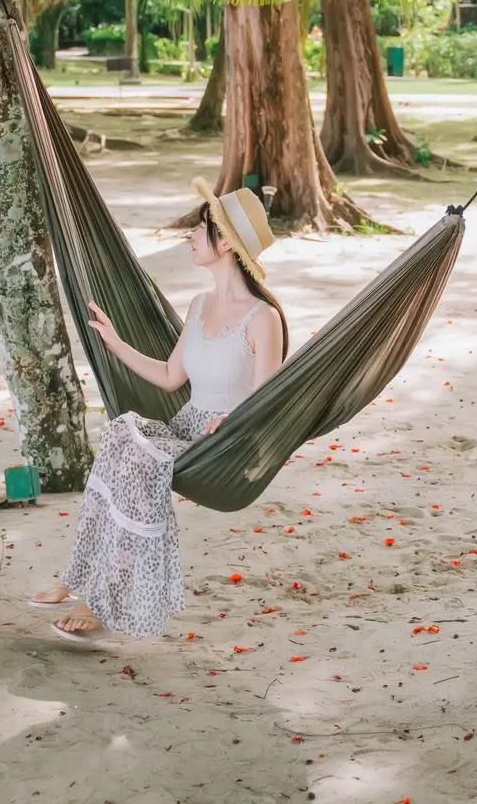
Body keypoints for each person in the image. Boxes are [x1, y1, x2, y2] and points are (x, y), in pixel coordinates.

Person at [30, 179, 289, 643]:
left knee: (138, 459)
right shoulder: (200, 305)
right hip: (185, 429)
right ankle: (78, 577)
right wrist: (115, 343)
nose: (191, 234)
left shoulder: (263, 319)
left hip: (224, 443)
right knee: (121, 439)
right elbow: (171, 376)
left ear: (226, 243)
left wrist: (231, 424)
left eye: (201, 227)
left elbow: (265, 402)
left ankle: (101, 598)